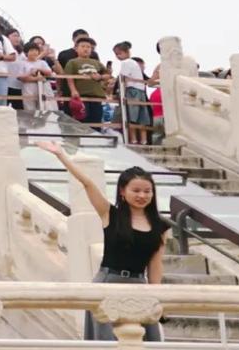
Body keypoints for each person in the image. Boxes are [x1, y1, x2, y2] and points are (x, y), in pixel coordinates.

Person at [41, 142, 166, 341]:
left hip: (139, 285)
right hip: (108, 282)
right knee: (107, 342)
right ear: (123, 192)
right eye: (136, 190)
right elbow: (88, 184)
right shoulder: (110, 214)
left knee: (147, 343)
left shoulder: (160, 227)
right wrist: (61, 156)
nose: (142, 195)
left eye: (147, 191)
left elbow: (155, 266)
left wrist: (157, 300)